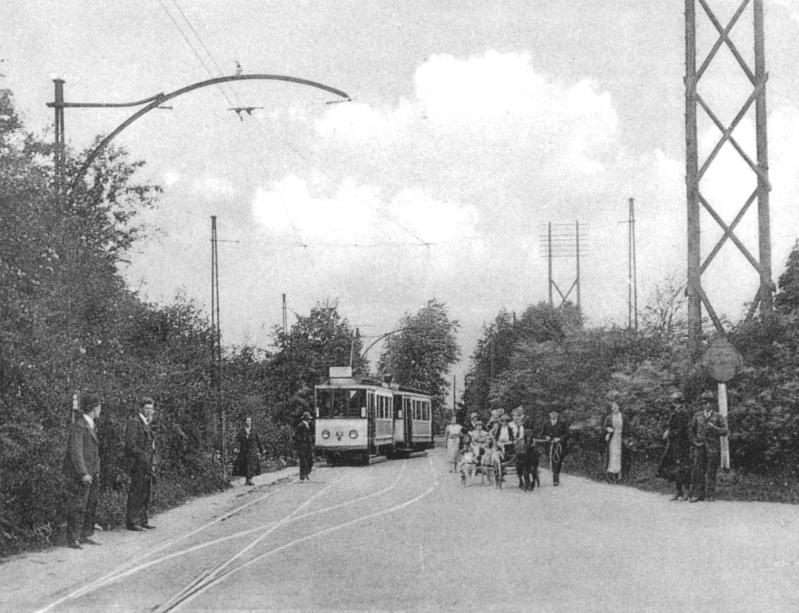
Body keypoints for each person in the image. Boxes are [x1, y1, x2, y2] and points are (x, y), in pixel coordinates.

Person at [62, 392, 102, 549]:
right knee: (78, 505)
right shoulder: (79, 426)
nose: (100, 410)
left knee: (90, 504)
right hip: (81, 474)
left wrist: (95, 471)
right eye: (99, 407)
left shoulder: (90, 424)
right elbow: (76, 452)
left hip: (92, 471)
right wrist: (83, 473)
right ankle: (73, 538)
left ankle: (85, 534)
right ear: (93, 408)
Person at [689, 390, 728, 502]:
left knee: (711, 470)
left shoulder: (718, 416)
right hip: (699, 447)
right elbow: (691, 431)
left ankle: (709, 495)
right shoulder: (697, 415)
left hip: (712, 448)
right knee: (698, 470)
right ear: (702, 404)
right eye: (705, 403)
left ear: (713, 404)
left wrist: (715, 428)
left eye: (709, 403)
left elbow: (725, 431)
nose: (707, 405)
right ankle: (697, 494)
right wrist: (695, 442)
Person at [125, 396, 157, 531]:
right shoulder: (134, 422)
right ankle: (132, 521)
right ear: (141, 409)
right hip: (137, 463)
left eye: (151, 408)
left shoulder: (148, 424)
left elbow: (152, 445)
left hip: (147, 463)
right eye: (147, 408)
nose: (149, 411)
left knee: (146, 491)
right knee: (136, 491)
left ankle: (143, 519)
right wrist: (143, 455)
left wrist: (153, 460)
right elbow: (130, 445)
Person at [657, 391, 692, 500]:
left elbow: (681, 429)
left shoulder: (684, 413)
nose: (673, 404)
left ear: (678, 402)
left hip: (681, 444)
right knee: (674, 467)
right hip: (674, 444)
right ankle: (679, 491)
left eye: (675, 401)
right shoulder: (676, 412)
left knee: (682, 467)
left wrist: (669, 433)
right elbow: (672, 426)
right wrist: (669, 431)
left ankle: (687, 491)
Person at [540, 410, 569, 486]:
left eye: (555, 414)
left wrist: (560, 438)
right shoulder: (546, 424)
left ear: (558, 414)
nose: (553, 415)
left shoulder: (563, 423)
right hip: (549, 446)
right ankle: (555, 478)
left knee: (558, 461)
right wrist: (546, 437)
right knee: (553, 461)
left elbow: (567, 434)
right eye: (552, 414)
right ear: (549, 415)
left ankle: (556, 477)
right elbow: (541, 434)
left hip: (560, 446)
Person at [233, 416, 264, 485]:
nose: (249, 422)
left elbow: (258, 441)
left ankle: (250, 479)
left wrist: (261, 450)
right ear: (244, 422)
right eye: (247, 421)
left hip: (252, 450)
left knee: (251, 465)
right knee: (245, 465)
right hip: (244, 450)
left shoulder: (254, 431)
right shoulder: (241, 431)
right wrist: (236, 447)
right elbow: (236, 440)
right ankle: (247, 479)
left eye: (250, 421)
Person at [603, 401, 625, 483]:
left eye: (616, 406)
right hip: (612, 439)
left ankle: (619, 474)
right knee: (612, 455)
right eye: (613, 407)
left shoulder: (623, 417)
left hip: (620, 439)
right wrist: (607, 430)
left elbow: (627, 428)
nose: (614, 408)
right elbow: (604, 427)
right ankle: (611, 474)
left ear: (619, 407)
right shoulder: (609, 417)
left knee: (619, 455)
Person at [294, 411, 314, 481]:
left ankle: (306, 473)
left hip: (308, 446)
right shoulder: (301, 426)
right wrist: (301, 440)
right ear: (306, 419)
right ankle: (302, 476)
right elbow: (295, 435)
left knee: (310, 461)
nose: (309, 420)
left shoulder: (308, 426)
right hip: (302, 446)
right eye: (308, 419)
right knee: (303, 461)